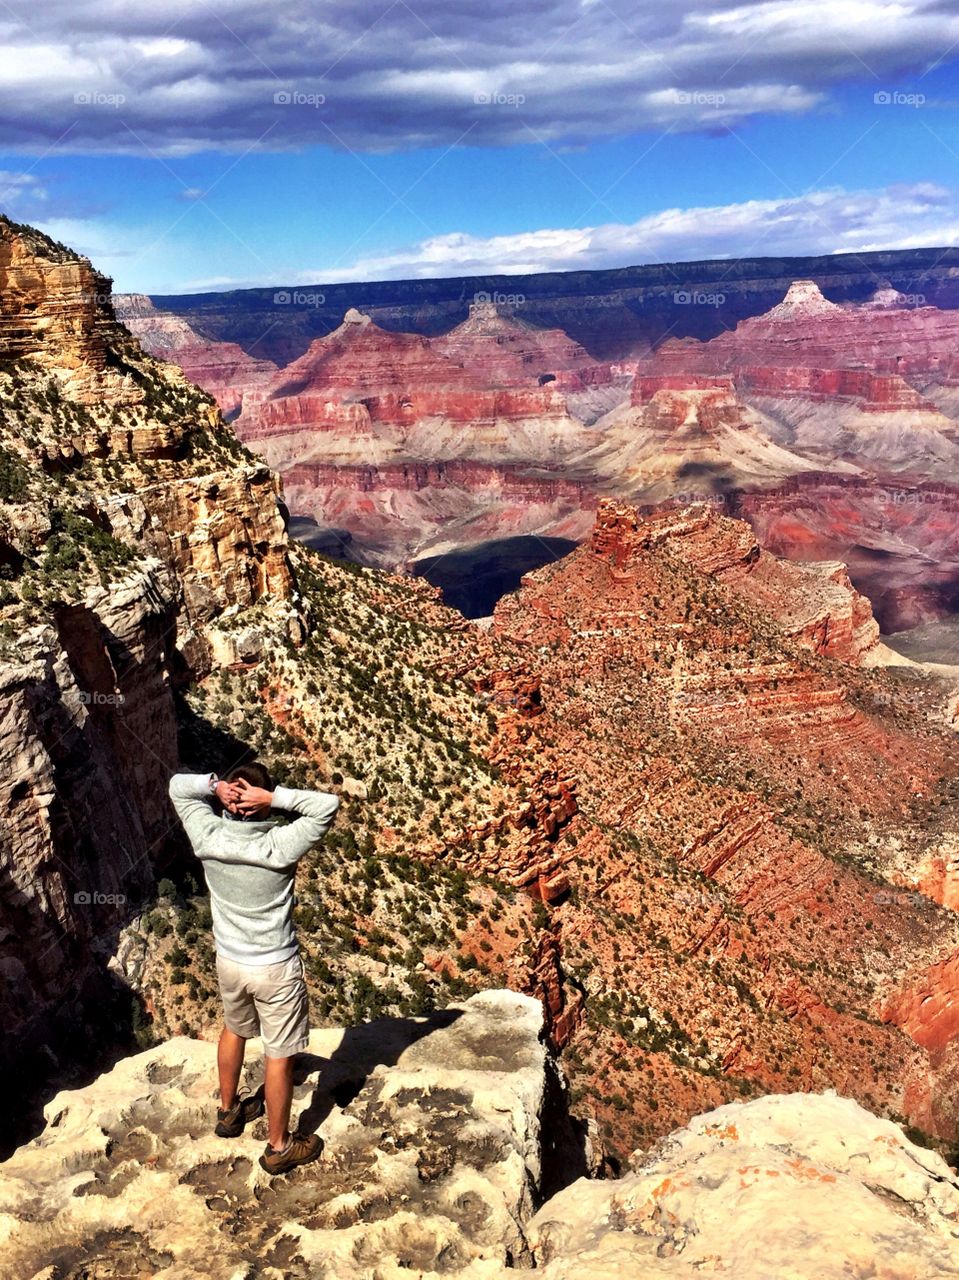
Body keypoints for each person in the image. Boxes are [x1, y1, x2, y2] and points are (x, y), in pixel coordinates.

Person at [168, 762, 339, 1175]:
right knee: (279, 1056)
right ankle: (279, 1147)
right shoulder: (279, 843)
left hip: (230, 961)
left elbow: (176, 786)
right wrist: (275, 799)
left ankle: (228, 1112)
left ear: (230, 801)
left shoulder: (207, 834)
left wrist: (214, 787)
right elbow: (327, 805)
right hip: (275, 966)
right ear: (261, 804)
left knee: (234, 1029)